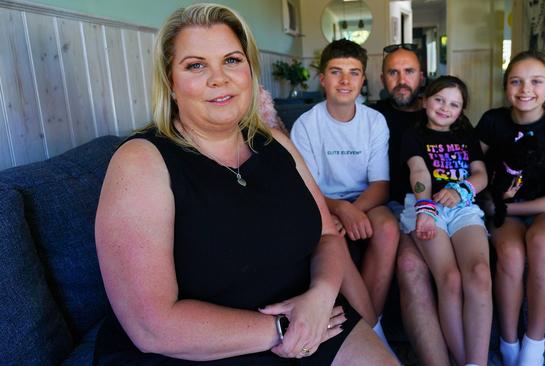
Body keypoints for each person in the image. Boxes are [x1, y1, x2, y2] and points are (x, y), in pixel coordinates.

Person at [93, 4, 397, 365]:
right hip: (197, 349)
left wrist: (321, 295)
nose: (219, 78)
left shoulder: (276, 143)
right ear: (170, 82)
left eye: (232, 60)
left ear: (250, 70)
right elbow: (150, 327)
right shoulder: (141, 161)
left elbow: (327, 235)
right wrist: (282, 329)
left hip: (311, 315)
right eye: (196, 65)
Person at [475, 50, 545, 366]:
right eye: (516, 81)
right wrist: (489, 203)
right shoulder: (492, 121)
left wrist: (501, 207)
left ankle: (534, 345)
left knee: (541, 241)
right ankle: (509, 343)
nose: (525, 90)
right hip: (502, 209)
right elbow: (473, 169)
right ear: (506, 86)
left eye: (536, 81)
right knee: (510, 253)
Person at [290, 39, 400, 345]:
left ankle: (367, 328)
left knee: (389, 229)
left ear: (363, 80)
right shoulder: (306, 125)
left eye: (354, 73)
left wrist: (353, 210)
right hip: (321, 203)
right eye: (336, 72)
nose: (345, 80)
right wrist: (337, 210)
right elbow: (307, 188)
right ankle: (376, 336)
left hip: (365, 201)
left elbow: (380, 185)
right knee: (332, 237)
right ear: (323, 79)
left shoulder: (374, 121)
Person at [401, 76, 491, 366]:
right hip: (426, 205)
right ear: (426, 100)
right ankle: (462, 359)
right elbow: (418, 171)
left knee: (478, 272)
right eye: (439, 99)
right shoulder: (413, 135)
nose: (444, 108)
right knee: (450, 279)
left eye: (454, 104)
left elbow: (481, 174)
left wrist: (460, 189)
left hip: (463, 206)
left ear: (461, 111)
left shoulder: (466, 136)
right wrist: (425, 208)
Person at [372, 44, 450, 365]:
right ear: (382, 78)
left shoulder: (443, 111)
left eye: (409, 72)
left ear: (422, 76)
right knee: (409, 266)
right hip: (395, 208)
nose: (401, 80)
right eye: (393, 72)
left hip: (444, 207)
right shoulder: (371, 116)